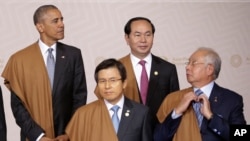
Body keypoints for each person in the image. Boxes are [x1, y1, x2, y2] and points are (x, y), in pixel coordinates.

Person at [1, 5, 87, 141]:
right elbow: (17, 106)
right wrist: (38, 136)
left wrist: (69, 132)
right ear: (40, 27)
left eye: (62, 20)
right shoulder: (19, 60)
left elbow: (79, 97)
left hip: (66, 136)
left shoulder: (73, 55)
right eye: (55, 21)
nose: (61, 24)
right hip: (33, 137)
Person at [154, 47, 246, 141]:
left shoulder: (232, 100)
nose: (187, 67)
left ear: (209, 69)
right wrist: (176, 112)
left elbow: (241, 135)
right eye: (188, 63)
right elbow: (157, 138)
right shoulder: (173, 98)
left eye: (194, 63)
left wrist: (211, 117)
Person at [66, 58, 153, 141]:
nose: (107, 86)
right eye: (102, 81)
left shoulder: (141, 113)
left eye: (113, 80)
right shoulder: (83, 114)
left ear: (124, 83)